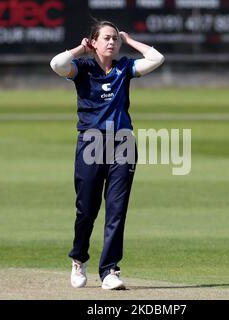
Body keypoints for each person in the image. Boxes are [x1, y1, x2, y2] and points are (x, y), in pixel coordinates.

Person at [50, 20, 164, 290]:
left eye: (115, 38)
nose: (112, 42)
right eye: (106, 38)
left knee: (116, 211)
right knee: (86, 210)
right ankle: (78, 259)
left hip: (123, 144)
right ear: (94, 42)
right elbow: (56, 64)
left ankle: (110, 270)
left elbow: (157, 58)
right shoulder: (83, 68)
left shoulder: (125, 67)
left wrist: (131, 40)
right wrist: (80, 49)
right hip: (90, 143)